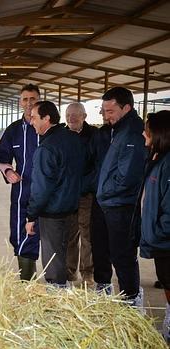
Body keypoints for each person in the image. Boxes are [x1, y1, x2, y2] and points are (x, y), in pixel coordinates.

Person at [25, 101, 84, 287]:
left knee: (53, 262)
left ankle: (57, 298)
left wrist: (31, 214)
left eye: (34, 117)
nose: (31, 121)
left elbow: (41, 188)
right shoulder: (74, 139)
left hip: (52, 213)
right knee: (68, 254)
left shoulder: (46, 148)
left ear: (47, 118)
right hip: (72, 209)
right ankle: (66, 289)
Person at [96, 86, 145, 305]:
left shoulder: (132, 133)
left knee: (123, 255)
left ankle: (132, 300)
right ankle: (128, 296)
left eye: (110, 111)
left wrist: (104, 192)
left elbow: (127, 178)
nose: (106, 116)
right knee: (114, 253)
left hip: (121, 205)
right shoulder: (119, 129)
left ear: (126, 108)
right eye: (104, 111)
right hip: (112, 203)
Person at [0, 84, 41, 280]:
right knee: (20, 233)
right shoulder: (14, 130)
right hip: (22, 190)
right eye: (25, 99)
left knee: (53, 235)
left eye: (33, 98)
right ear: (20, 102)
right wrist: (7, 170)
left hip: (49, 193)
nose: (29, 103)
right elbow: (1, 155)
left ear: (39, 100)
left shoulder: (49, 128)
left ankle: (58, 281)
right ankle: (27, 279)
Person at [138, 110, 170, 342]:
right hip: (160, 241)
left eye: (147, 129)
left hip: (166, 241)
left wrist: (158, 233)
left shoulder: (168, 165)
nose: (143, 133)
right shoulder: (158, 159)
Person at [65, 102, 97, 286]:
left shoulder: (94, 135)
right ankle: (70, 273)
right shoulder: (62, 135)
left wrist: (85, 186)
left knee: (87, 234)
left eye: (76, 115)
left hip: (86, 193)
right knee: (69, 235)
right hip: (68, 194)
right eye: (68, 115)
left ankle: (87, 273)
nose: (72, 118)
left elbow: (97, 165)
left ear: (84, 116)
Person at [89, 105, 113, 293]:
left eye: (108, 111)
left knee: (122, 249)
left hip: (120, 201)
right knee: (98, 242)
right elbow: (91, 162)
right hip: (99, 196)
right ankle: (103, 284)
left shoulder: (132, 135)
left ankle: (131, 293)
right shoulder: (100, 134)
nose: (102, 114)